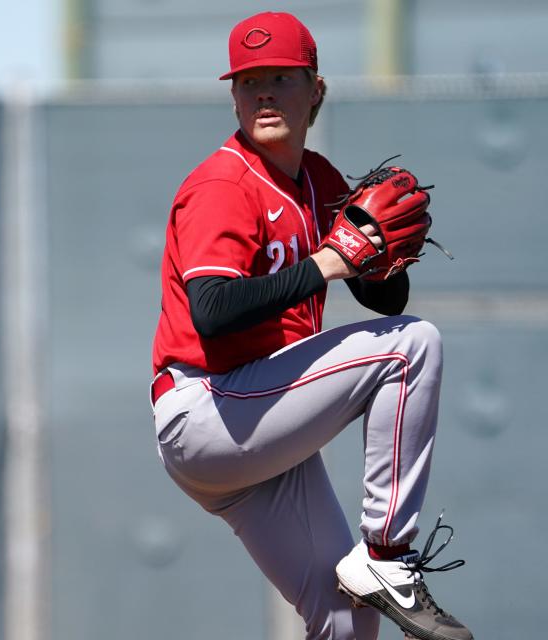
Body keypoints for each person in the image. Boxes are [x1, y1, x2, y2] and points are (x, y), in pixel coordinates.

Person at [149, 12, 472, 640]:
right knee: (412, 347)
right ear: (234, 95)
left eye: (281, 78)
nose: (264, 94)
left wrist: (380, 249)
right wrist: (329, 261)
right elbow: (212, 315)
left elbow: (386, 299)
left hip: (260, 425)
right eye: (249, 81)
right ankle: (386, 557)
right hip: (206, 409)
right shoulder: (222, 183)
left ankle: (373, 577)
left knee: (345, 619)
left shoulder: (319, 181)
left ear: (316, 90)